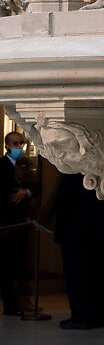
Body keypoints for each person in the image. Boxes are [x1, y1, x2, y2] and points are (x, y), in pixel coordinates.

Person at [46, 172, 104, 329]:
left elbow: (63, 194)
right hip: (101, 228)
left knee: (77, 276)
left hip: (76, 229)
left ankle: (82, 317)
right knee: (98, 274)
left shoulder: (73, 165)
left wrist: (45, 217)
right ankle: (96, 314)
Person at [0, 131, 32, 316]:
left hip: (22, 223)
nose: (19, 147)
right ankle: (10, 304)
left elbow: (34, 188)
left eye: (21, 143)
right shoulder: (1, 165)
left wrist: (26, 192)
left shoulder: (24, 165)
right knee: (7, 267)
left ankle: (20, 301)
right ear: (7, 146)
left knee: (19, 265)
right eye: (16, 144)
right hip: (6, 225)